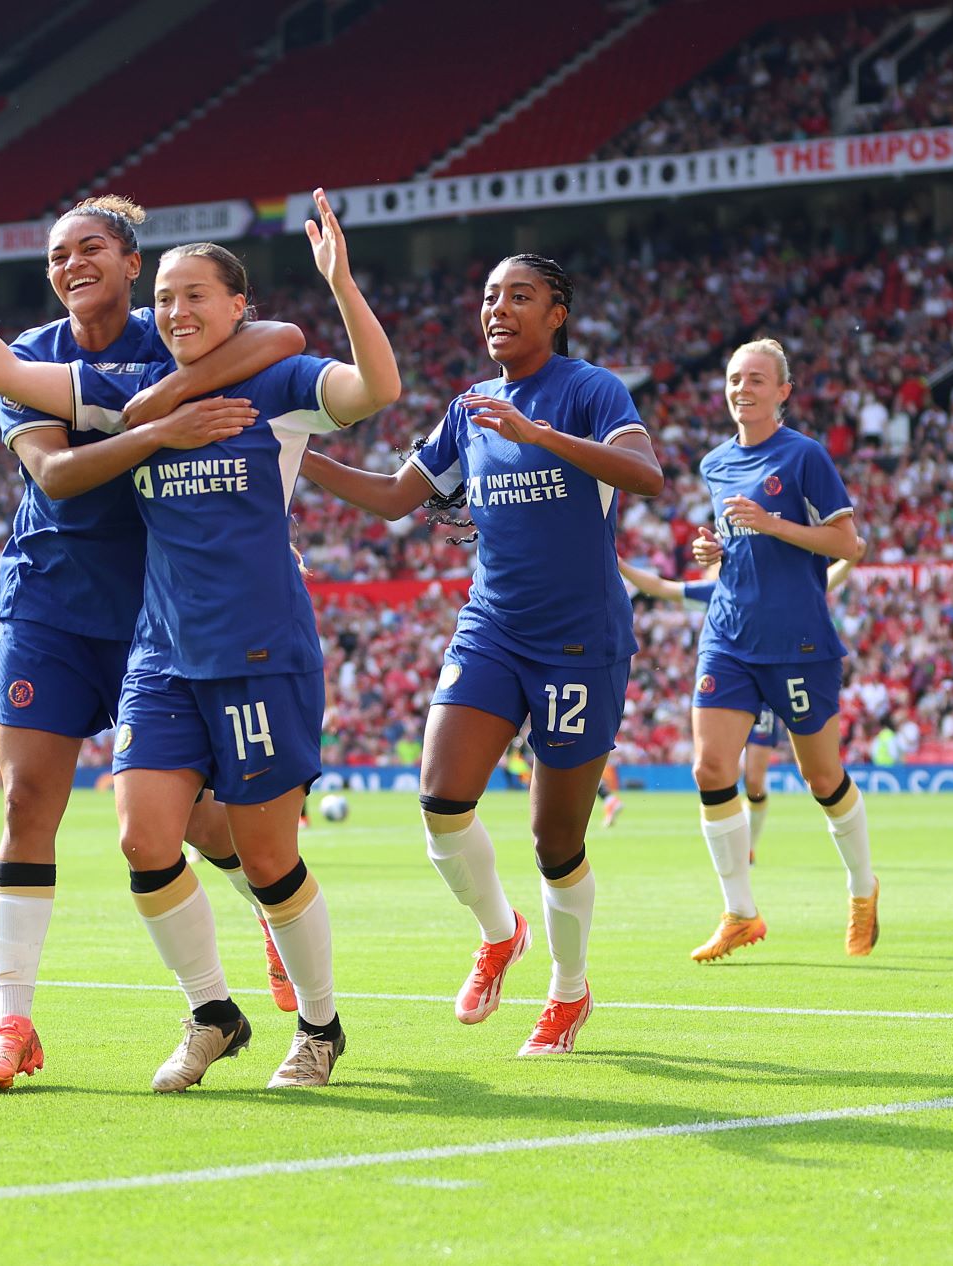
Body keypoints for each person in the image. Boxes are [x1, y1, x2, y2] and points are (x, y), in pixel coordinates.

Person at [0, 187, 401, 1085]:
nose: (72, 264)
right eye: (56, 253)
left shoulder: (191, 346)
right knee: (54, 813)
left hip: (175, 619)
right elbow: (52, 470)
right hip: (61, 605)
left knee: (233, 834)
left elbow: (285, 341)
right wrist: (158, 423)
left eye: (93, 248)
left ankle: (291, 963)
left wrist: (309, 305)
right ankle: (34, 1023)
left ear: (136, 266)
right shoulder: (56, 361)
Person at [299, 252, 662, 1055]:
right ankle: (501, 935)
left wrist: (542, 435)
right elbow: (399, 497)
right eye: (491, 296)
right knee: (440, 798)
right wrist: (300, 458)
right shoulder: (470, 406)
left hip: (581, 644)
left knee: (555, 841)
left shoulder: (591, 390)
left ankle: (569, 994)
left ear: (556, 312)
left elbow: (648, 476)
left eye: (521, 297)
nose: (499, 308)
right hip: (493, 626)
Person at [678, 339, 876, 963]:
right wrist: (716, 552)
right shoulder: (714, 464)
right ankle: (740, 911)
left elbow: (851, 544)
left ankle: (863, 888)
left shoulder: (805, 456)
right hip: (729, 635)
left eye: (758, 379)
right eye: (736, 378)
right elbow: (739, 542)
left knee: (821, 777)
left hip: (798, 642)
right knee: (711, 769)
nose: (744, 388)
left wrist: (772, 523)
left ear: (783, 392)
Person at [618, 540, 862, 865]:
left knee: (756, 780)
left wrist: (849, 560)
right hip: (733, 680)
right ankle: (738, 863)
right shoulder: (716, 591)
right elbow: (663, 587)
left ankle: (750, 844)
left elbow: (823, 581)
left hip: (774, 677)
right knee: (713, 769)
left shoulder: (777, 585)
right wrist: (620, 564)